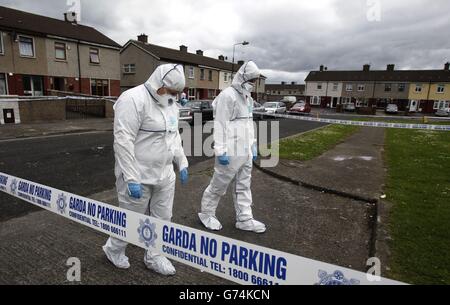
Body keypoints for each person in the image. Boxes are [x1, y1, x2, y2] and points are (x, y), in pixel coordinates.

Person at [103, 64, 189, 276]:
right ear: (158, 83)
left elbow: (173, 136)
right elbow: (123, 141)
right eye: (171, 92)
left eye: (176, 94)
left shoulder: (170, 103)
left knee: (163, 217)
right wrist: (131, 177)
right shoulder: (132, 99)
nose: (173, 97)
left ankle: (155, 256)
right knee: (131, 219)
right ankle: (113, 249)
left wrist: (182, 161)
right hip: (138, 174)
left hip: (165, 174)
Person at [198, 61, 266, 234]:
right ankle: (207, 213)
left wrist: (253, 144)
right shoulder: (227, 96)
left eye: (256, 80)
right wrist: (220, 151)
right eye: (251, 79)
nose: (253, 83)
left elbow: (248, 123)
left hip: (245, 151)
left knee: (243, 185)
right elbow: (220, 124)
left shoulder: (247, 97)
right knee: (219, 184)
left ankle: (244, 218)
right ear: (242, 77)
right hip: (230, 151)